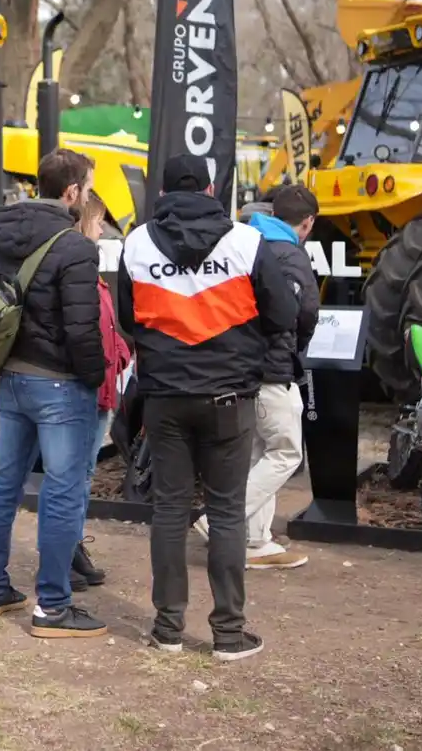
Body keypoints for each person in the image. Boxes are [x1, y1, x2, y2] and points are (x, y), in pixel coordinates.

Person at [115, 153, 296, 662]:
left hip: (165, 398)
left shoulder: (137, 243)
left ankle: (167, 629)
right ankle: (228, 635)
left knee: (169, 511)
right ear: (212, 188)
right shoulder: (247, 242)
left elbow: (129, 318)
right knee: (226, 512)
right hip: (229, 397)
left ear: (165, 191)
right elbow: (282, 314)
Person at [0, 148, 107, 638]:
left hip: (12, 375)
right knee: (63, 492)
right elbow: (82, 328)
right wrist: (94, 377)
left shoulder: (1, 233)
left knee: (5, 485)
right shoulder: (75, 247)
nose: (87, 196)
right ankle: (52, 606)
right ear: (72, 191)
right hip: (60, 384)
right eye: (87, 188)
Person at [192, 184, 320, 569]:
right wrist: (298, 350)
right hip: (273, 369)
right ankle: (218, 519)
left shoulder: (245, 243)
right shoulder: (291, 257)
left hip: (238, 367)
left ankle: (254, 541)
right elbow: (306, 313)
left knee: (258, 452)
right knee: (286, 452)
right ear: (308, 223)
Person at [71, 190, 132, 591]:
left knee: (82, 473)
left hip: (101, 390)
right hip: (90, 391)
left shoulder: (89, 271)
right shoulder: (79, 270)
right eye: (97, 224)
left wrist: (122, 350)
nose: (101, 232)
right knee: (75, 475)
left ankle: (72, 548)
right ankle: (67, 553)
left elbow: (104, 325)